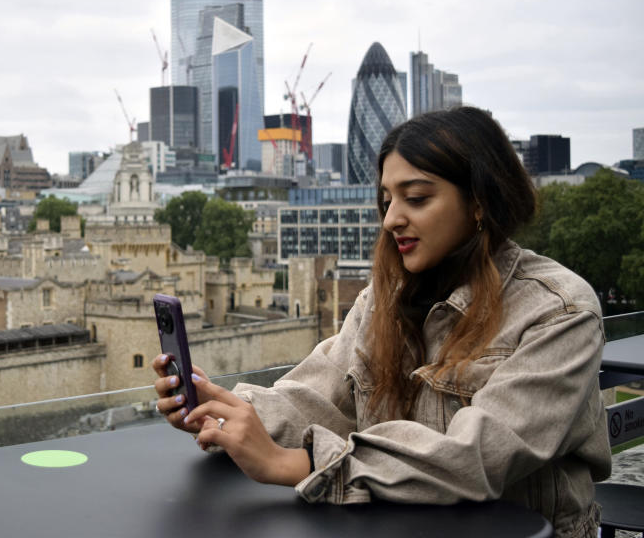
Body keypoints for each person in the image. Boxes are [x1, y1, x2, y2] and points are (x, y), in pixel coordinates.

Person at [153, 107, 611, 538]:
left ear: (479, 203)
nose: (391, 219)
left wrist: (292, 464)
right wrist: (224, 411)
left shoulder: (561, 312)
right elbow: (316, 398)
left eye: (415, 197)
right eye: (387, 199)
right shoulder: (382, 300)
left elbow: (474, 457)